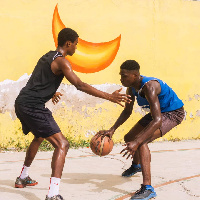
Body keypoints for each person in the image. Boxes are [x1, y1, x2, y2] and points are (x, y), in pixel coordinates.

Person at [14, 28, 131, 200]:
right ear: (68, 43)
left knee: (39, 137)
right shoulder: (63, 62)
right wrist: (109, 96)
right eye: (76, 44)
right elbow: (80, 85)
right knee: (62, 144)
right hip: (33, 107)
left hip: (22, 102)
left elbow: (37, 79)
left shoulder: (48, 56)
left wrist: (50, 92)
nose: (76, 47)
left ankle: (22, 177)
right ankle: (53, 195)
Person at [97, 60, 185, 200]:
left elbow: (157, 121)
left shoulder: (149, 86)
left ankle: (148, 188)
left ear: (135, 75)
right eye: (120, 75)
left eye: (124, 75)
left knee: (141, 141)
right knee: (129, 137)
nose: (121, 78)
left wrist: (138, 141)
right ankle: (136, 165)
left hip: (172, 113)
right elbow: (127, 112)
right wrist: (112, 129)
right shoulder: (131, 88)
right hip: (158, 114)